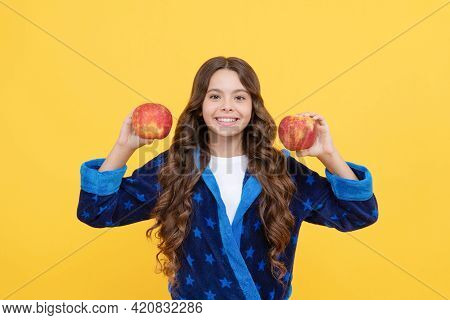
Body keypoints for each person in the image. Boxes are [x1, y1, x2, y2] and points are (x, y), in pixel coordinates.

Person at [77, 56, 379, 300]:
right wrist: (123, 147)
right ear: (200, 106)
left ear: (253, 107)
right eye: (214, 96)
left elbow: (358, 213)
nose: (227, 106)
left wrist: (328, 155)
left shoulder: (282, 170)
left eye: (239, 97)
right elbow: (97, 212)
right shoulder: (174, 166)